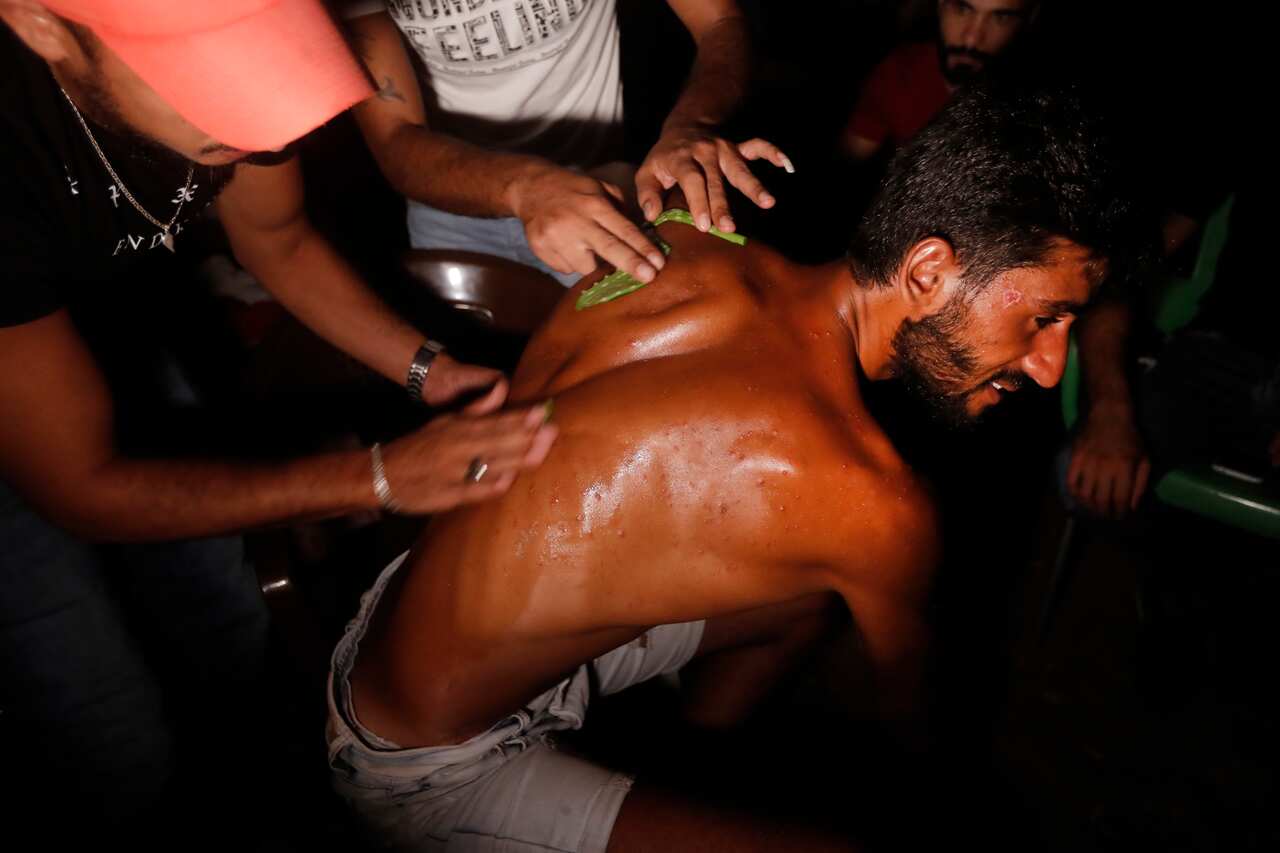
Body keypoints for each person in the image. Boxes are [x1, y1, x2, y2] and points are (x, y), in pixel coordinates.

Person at [326, 80, 1145, 851]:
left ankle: (676, 773)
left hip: (392, 614)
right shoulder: (872, 503)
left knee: (802, 605)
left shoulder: (681, 235)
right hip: (422, 756)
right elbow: (914, 727)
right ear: (927, 272)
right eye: (1045, 317)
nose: (1047, 366)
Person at [0, 0, 556, 833]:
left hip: (98, 322)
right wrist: (375, 476)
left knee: (227, 615)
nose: (255, 117)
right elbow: (79, 485)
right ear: (41, 24)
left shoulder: (237, 107)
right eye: (206, 72)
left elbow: (280, 241)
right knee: (108, 722)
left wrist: (429, 372)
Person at [343, 0, 792, 288]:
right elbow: (394, 138)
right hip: (451, 206)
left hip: (601, 189)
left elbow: (718, 20)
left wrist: (691, 124)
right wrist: (525, 188)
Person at [843, 0, 1037, 161]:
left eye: (1000, 18)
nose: (972, 39)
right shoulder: (897, 71)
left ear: (1027, 21)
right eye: (962, 9)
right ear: (939, 5)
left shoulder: (1036, 106)